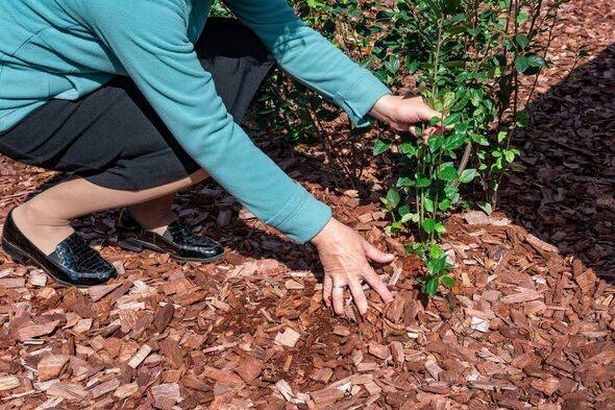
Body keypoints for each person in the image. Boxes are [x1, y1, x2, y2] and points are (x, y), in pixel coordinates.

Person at [0, 0, 442, 315]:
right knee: (199, 147)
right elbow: (208, 134)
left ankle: (146, 215)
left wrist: (383, 102)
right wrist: (324, 231)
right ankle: (39, 218)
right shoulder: (135, 7)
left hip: (95, 67)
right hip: (28, 103)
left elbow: (286, 35)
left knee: (244, 51)